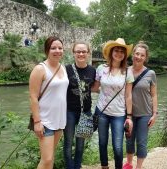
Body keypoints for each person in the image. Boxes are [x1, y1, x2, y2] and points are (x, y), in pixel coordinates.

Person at [92, 38, 134, 169]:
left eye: (122, 51)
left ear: (125, 55)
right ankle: (104, 166)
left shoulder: (128, 72)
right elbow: (95, 88)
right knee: (102, 142)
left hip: (119, 113)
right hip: (102, 111)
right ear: (111, 52)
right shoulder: (101, 68)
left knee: (117, 146)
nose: (119, 53)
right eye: (116, 50)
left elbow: (128, 95)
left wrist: (129, 117)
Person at [29, 36, 69, 169]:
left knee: (51, 157)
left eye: (60, 48)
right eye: (53, 48)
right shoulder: (40, 69)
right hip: (45, 120)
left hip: (59, 119)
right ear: (47, 50)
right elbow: (33, 97)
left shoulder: (62, 68)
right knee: (46, 159)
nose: (57, 51)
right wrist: (37, 122)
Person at [123, 42, 158, 169]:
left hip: (145, 114)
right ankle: (129, 164)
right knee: (129, 140)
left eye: (142, 55)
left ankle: (139, 167)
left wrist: (155, 114)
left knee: (142, 142)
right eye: (137, 53)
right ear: (133, 54)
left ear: (145, 57)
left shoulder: (151, 73)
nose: (138, 57)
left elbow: (154, 95)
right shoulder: (126, 71)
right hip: (128, 114)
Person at [64, 41, 96, 169]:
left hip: (86, 111)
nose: (81, 54)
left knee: (80, 144)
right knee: (68, 143)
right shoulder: (66, 69)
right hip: (69, 111)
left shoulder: (92, 70)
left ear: (88, 54)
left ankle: (77, 166)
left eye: (84, 51)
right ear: (73, 53)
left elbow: (94, 88)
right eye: (78, 51)